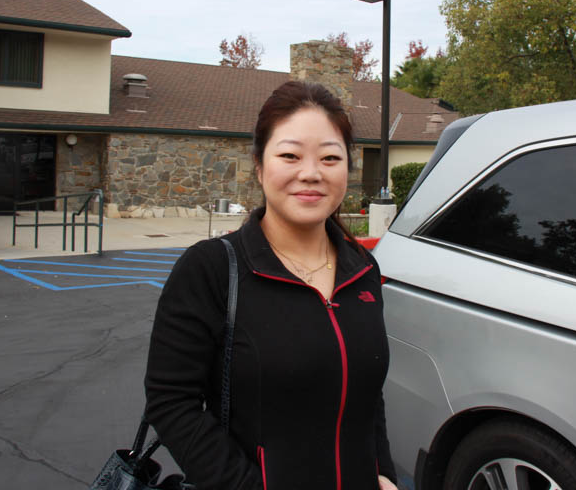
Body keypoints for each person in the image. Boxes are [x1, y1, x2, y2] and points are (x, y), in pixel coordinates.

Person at [144, 80, 399, 490]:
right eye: (290, 155)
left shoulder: (362, 269)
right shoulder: (210, 269)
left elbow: (368, 394)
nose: (311, 173)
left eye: (330, 158)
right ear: (260, 166)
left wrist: (382, 470)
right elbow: (171, 400)